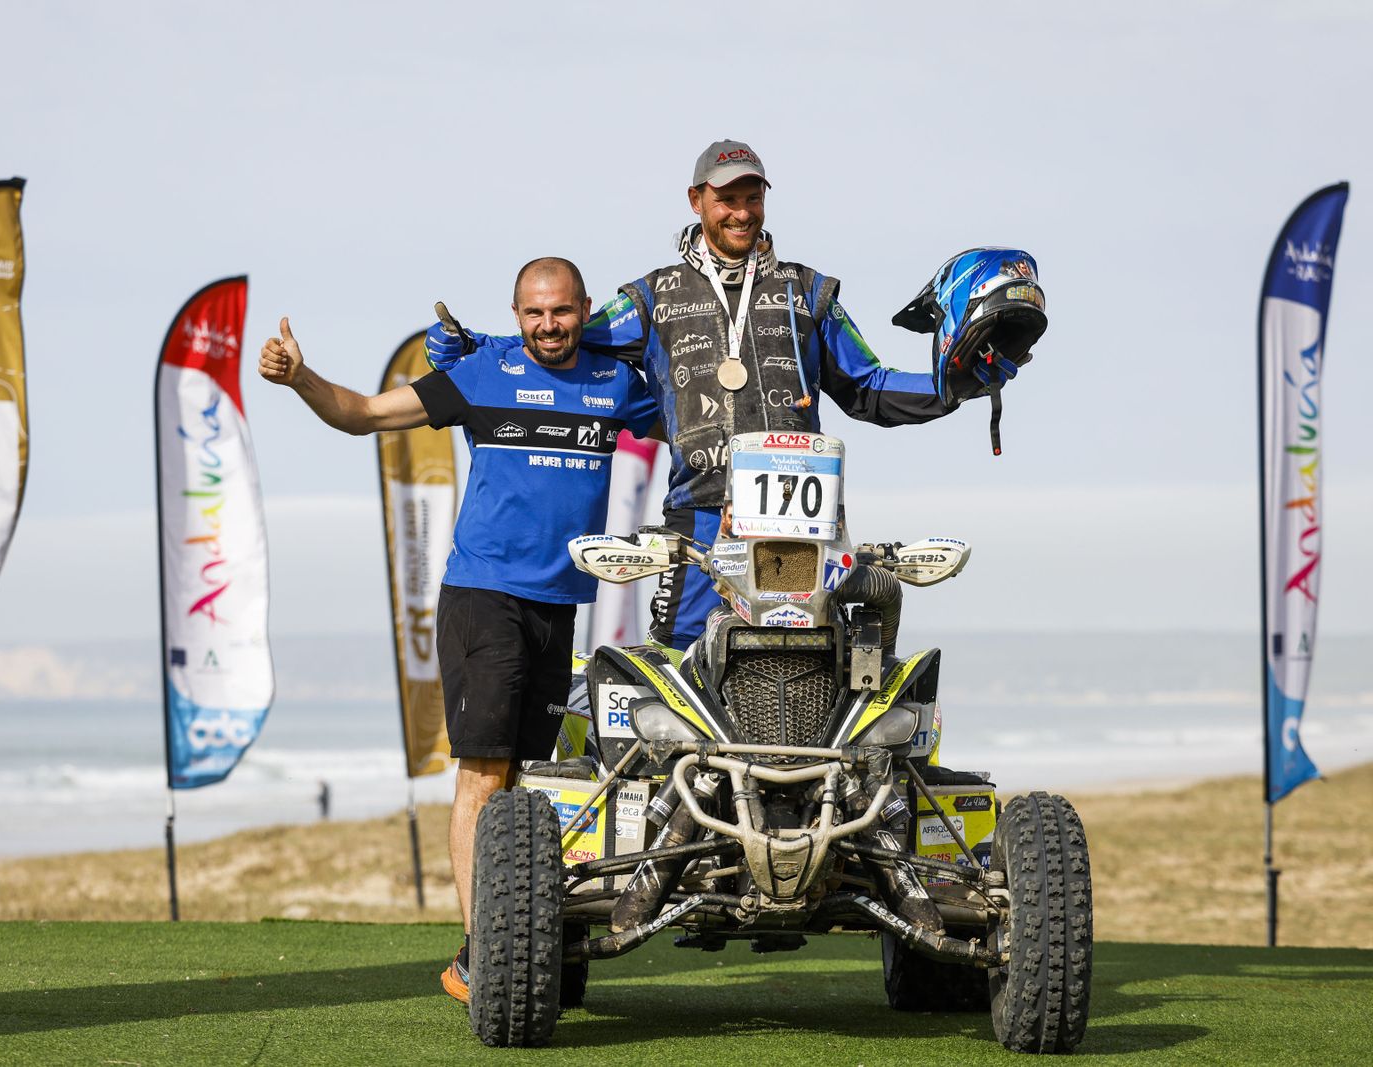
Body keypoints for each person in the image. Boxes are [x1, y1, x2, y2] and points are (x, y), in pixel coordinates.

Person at [426, 139, 1020, 652]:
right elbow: (560, 335)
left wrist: (959, 384)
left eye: (751, 198)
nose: (740, 212)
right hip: (702, 519)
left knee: (811, 660)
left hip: (802, 522)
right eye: (726, 199)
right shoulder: (651, 297)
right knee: (682, 671)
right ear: (697, 201)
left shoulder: (809, 294)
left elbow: (869, 387)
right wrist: (474, 345)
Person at [258, 257, 659, 1005]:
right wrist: (299, 377)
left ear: (584, 311)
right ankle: (485, 956)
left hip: (560, 606)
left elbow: (698, 424)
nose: (549, 325)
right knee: (483, 773)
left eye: (561, 311)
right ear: (516, 314)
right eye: (535, 313)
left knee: (532, 783)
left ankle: (522, 941)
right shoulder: (482, 374)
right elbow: (362, 413)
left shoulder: (617, 385)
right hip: (484, 598)